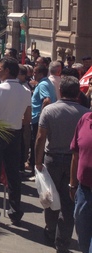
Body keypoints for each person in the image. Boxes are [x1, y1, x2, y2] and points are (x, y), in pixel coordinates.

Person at [35, 75, 88, 252]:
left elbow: (41, 138)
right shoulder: (84, 114)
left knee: (50, 197)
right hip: (74, 162)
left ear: (60, 90)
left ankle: (51, 230)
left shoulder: (49, 111)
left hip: (52, 160)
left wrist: (37, 161)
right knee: (68, 202)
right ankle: (62, 241)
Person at [0, 57, 32, 224]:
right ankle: (15, 210)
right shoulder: (26, 91)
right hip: (15, 134)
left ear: (6, 71)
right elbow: (27, 119)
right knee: (13, 174)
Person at [70, 97, 92, 253]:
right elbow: (75, 154)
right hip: (84, 190)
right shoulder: (85, 119)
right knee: (83, 240)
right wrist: (72, 184)